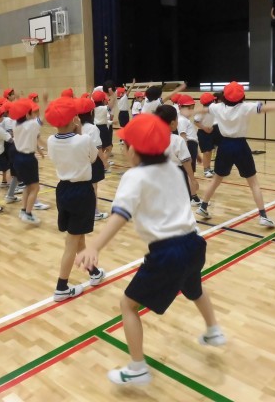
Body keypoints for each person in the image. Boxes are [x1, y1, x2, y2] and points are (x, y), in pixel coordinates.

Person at [75, 114, 225, 386]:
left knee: (127, 305)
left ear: (133, 149)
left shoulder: (134, 176)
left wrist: (94, 245)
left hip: (167, 253)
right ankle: (213, 330)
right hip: (194, 244)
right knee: (194, 288)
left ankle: (137, 368)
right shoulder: (173, 169)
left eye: (124, 144)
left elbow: (120, 215)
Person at [195, 81, 275, 227]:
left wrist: (187, 112)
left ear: (224, 96)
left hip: (224, 146)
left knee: (216, 180)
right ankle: (263, 216)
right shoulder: (246, 107)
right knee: (253, 182)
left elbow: (201, 110)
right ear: (242, 96)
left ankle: (203, 207)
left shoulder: (216, 107)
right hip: (240, 146)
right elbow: (266, 108)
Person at [46, 97, 105, 301]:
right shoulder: (84, 139)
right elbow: (93, 158)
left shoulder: (50, 140)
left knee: (77, 236)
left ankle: (93, 272)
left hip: (63, 189)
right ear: (74, 119)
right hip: (81, 192)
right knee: (72, 242)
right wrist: (79, 133)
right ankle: (61, 287)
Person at [156, 105, 199, 205]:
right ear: (172, 123)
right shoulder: (178, 140)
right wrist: (192, 179)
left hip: (158, 173)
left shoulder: (152, 138)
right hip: (177, 174)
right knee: (181, 204)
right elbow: (186, 162)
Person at [76, 97, 109, 221]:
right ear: (91, 112)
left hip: (80, 160)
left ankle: (84, 209)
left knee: (83, 186)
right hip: (92, 161)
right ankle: (94, 212)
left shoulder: (75, 127)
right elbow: (98, 148)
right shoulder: (92, 128)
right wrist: (105, 162)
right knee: (93, 187)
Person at [11, 98, 43, 225]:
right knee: (35, 188)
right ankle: (28, 214)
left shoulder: (15, 124)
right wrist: (45, 101)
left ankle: (24, 210)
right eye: (32, 112)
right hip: (28, 159)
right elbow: (45, 117)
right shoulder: (32, 125)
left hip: (18, 158)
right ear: (27, 114)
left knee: (27, 186)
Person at [176, 96, 202, 205]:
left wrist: (197, 154)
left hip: (192, 146)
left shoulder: (185, 120)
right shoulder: (182, 120)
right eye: (188, 108)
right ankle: (193, 197)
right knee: (189, 173)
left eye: (192, 108)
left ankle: (191, 196)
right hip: (189, 146)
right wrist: (186, 153)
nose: (191, 110)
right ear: (180, 107)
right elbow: (183, 137)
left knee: (189, 173)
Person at [193, 93, 219, 178]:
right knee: (206, 152)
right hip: (204, 133)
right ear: (212, 101)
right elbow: (196, 122)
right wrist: (204, 128)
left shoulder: (214, 109)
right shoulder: (202, 112)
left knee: (210, 151)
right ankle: (206, 169)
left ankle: (209, 168)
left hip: (214, 130)